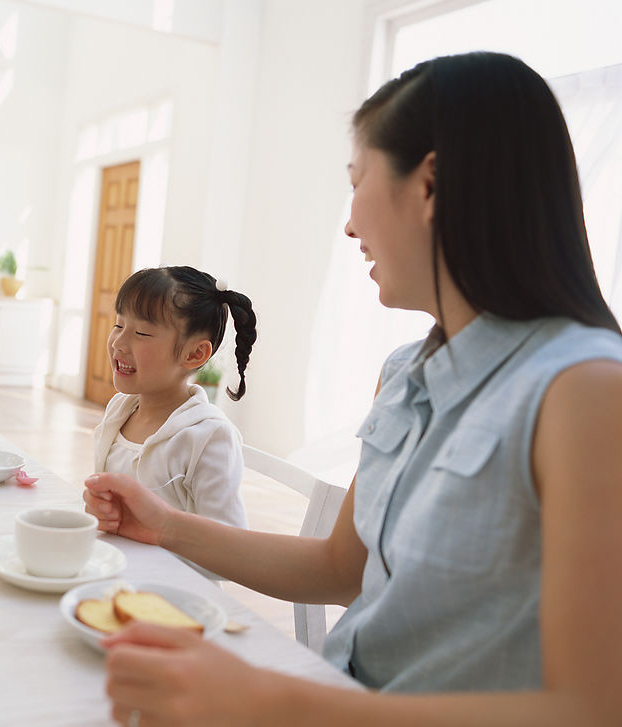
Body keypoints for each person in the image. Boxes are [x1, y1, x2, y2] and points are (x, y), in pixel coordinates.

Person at [84, 52, 622, 726]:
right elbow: (342, 567)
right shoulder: (404, 372)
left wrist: (274, 700)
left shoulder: (588, 389)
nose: (348, 223)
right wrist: (164, 525)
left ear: (430, 185)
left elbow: (591, 709)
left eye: (357, 178)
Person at [94, 266, 257, 529]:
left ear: (194, 354)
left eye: (141, 333)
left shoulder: (207, 437)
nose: (118, 343)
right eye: (119, 324)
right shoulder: (120, 410)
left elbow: (229, 542)